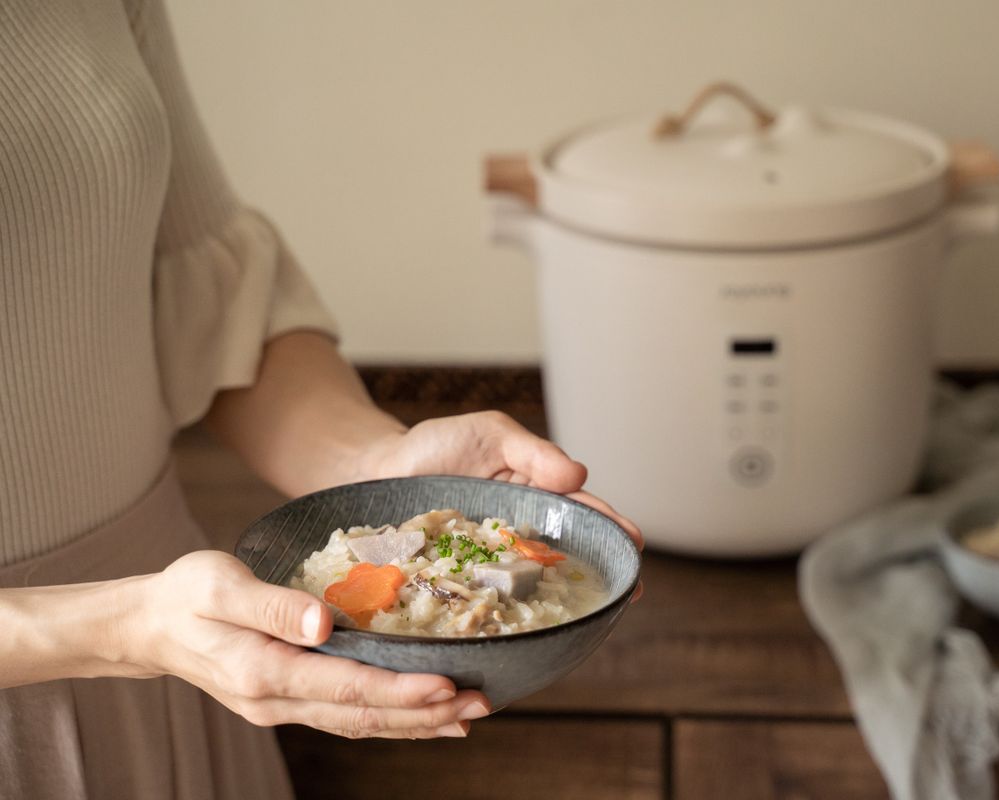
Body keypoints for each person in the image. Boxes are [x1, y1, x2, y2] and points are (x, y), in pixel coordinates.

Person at [0, 0, 642, 797]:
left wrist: (376, 470)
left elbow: (212, 295)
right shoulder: (141, 628)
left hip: (187, 648)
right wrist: (122, 629)